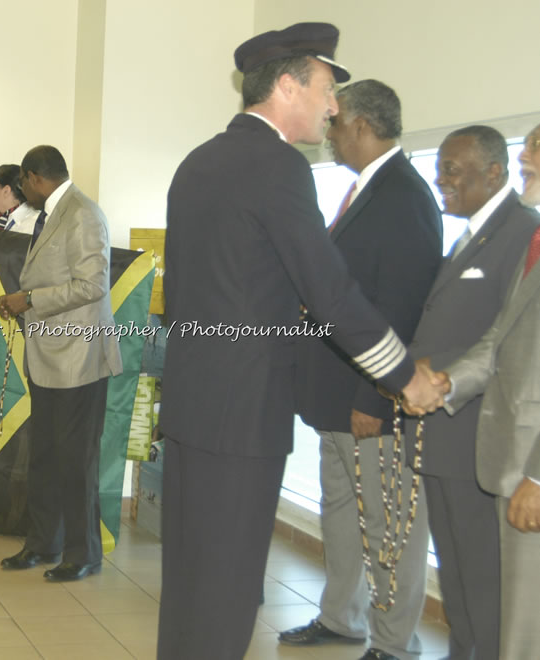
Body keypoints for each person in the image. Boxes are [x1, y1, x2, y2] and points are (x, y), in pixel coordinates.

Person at [157, 23, 442, 659]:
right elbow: (331, 292)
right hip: (242, 415)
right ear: (287, 86)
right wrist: (405, 377)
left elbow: (188, 296)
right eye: (324, 88)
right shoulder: (278, 166)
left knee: (190, 583)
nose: (334, 105)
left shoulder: (198, 161)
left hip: (194, 403)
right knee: (227, 591)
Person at [281, 81, 442, 660]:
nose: (329, 132)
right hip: (334, 398)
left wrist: (375, 399)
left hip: (369, 401)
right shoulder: (365, 191)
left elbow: (401, 306)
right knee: (343, 513)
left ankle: (395, 644)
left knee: (388, 527)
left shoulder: (403, 196)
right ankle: (341, 618)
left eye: (336, 121)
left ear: (364, 125)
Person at [403, 125, 539, 660]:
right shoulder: (528, 241)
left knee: (504, 602)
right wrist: (442, 382)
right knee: (469, 586)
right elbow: (498, 340)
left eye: (535, 151)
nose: (525, 157)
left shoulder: (520, 230)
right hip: (470, 432)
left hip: (508, 450)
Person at [0, 145, 121, 582]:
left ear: (33, 178)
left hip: (80, 359)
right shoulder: (52, 212)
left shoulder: (82, 213)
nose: (22, 190)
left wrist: (28, 300)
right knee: (45, 456)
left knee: (75, 461)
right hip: (49, 356)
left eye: (22, 183)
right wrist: (22, 302)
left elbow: (91, 286)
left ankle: (83, 553)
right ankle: (42, 543)